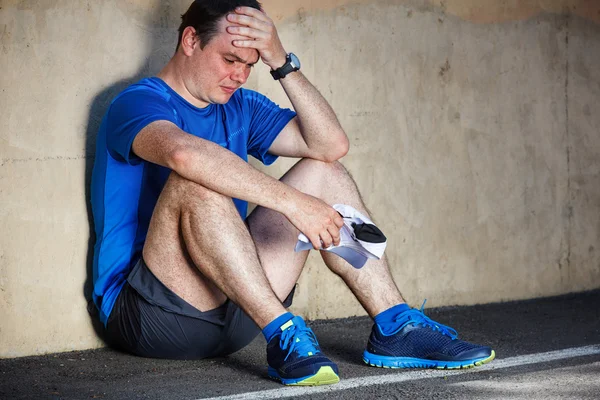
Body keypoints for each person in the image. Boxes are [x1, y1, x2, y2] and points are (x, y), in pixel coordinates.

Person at [91, 0, 495, 386]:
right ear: (191, 40)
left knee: (325, 170)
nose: (238, 76)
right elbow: (182, 154)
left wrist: (280, 61)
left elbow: (330, 144)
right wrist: (294, 204)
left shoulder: (241, 105)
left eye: (249, 65)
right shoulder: (138, 102)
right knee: (195, 180)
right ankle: (283, 329)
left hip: (240, 311)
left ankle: (394, 325)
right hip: (149, 315)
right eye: (230, 59)